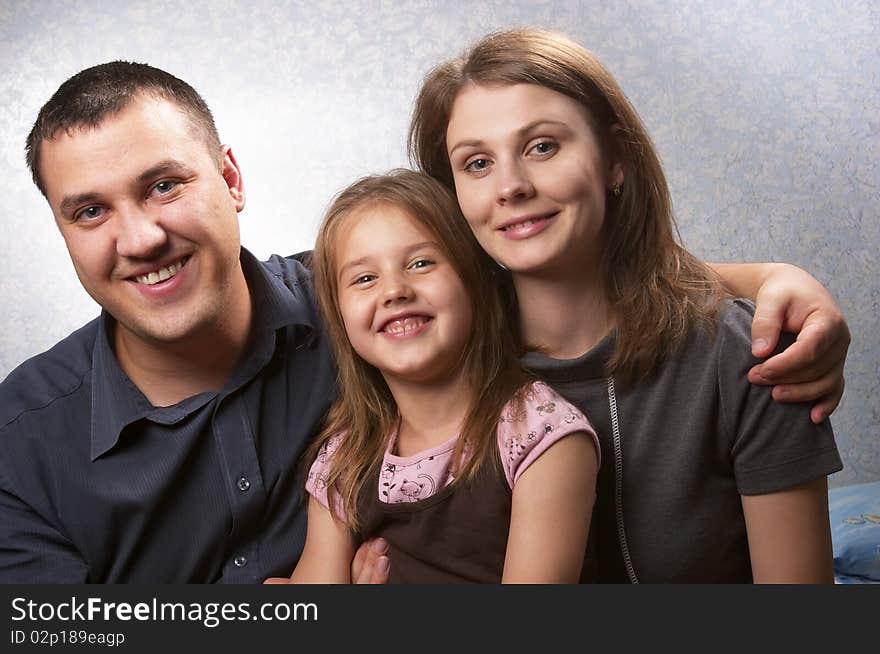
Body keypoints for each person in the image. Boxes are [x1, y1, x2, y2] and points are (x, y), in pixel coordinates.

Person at [0, 58, 847, 584]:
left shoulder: (380, 313)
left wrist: (778, 280)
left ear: (230, 178)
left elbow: (562, 268)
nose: (141, 237)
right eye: (89, 212)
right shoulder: (21, 439)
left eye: (164, 185)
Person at [405, 28, 843, 582]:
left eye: (542, 146)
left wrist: (779, 276)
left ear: (615, 160)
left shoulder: (743, 355)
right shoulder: (429, 363)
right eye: (476, 164)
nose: (510, 186)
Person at [290, 170, 599, 583]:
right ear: (339, 316)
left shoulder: (538, 434)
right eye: (364, 278)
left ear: (473, 281)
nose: (394, 290)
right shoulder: (345, 459)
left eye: (421, 263)